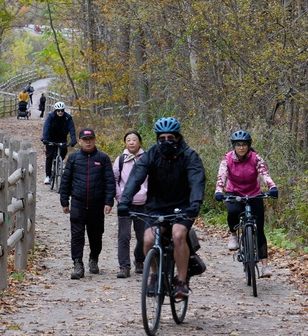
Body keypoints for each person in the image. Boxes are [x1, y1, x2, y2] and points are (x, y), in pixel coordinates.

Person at [118, 117, 205, 299]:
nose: (166, 141)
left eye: (170, 138)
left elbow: (197, 181)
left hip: (183, 206)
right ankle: (155, 275)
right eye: (162, 138)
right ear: (157, 138)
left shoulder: (189, 155)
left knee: (178, 234)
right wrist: (125, 201)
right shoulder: (151, 154)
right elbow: (136, 177)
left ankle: (181, 282)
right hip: (157, 206)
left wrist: (195, 204)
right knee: (148, 240)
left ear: (178, 138)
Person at [213, 130, 278, 279]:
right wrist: (218, 190)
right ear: (234, 146)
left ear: (249, 146)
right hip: (234, 192)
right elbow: (221, 176)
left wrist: (272, 187)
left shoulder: (256, 158)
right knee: (233, 212)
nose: (241, 148)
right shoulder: (227, 159)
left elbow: (264, 174)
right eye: (238, 145)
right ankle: (233, 235)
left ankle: (264, 266)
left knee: (260, 230)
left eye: (244, 145)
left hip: (254, 193)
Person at [60, 127, 116, 279]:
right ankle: (78, 264)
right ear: (79, 142)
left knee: (96, 235)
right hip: (78, 203)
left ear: (95, 140)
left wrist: (108, 201)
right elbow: (66, 180)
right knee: (77, 235)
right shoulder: (73, 158)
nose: (88, 142)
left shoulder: (103, 158)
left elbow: (109, 181)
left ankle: (94, 258)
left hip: (97, 205)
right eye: (85, 140)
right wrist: (64, 200)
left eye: (90, 139)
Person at [113, 130, 147, 278]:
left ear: (140, 142)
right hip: (125, 204)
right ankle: (124, 267)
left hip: (143, 203)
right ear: (125, 143)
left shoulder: (147, 159)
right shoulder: (120, 160)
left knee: (143, 237)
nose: (132, 142)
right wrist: (120, 197)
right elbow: (114, 179)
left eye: (134, 139)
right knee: (124, 236)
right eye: (128, 140)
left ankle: (139, 260)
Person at [41, 101, 75, 185]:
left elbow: (72, 129)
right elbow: (46, 127)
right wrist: (44, 138)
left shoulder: (68, 118)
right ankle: (48, 176)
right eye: (58, 110)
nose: (60, 112)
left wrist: (73, 139)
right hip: (51, 138)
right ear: (56, 110)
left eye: (62, 110)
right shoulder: (51, 117)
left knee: (64, 151)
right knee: (49, 157)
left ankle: (59, 161)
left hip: (62, 138)